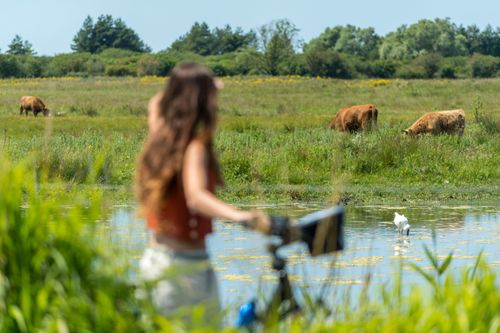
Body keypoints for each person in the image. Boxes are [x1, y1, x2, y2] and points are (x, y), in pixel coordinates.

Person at [135, 63, 270, 319]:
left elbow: (155, 104)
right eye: (212, 96)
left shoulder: (162, 139)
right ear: (201, 101)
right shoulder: (194, 147)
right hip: (187, 269)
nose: (215, 103)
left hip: (157, 263)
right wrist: (242, 217)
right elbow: (196, 197)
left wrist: (179, 90)